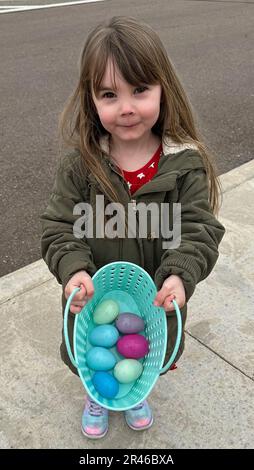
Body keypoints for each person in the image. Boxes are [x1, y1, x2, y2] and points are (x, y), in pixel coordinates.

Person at [41, 16, 225, 439]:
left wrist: (180, 272)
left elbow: (198, 227)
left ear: (164, 88)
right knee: (95, 353)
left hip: (154, 300)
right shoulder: (80, 166)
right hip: (92, 298)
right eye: (109, 94)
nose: (126, 107)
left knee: (140, 352)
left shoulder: (184, 164)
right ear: (91, 100)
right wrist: (73, 270)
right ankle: (99, 392)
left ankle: (136, 388)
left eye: (139, 89)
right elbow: (58, 226)